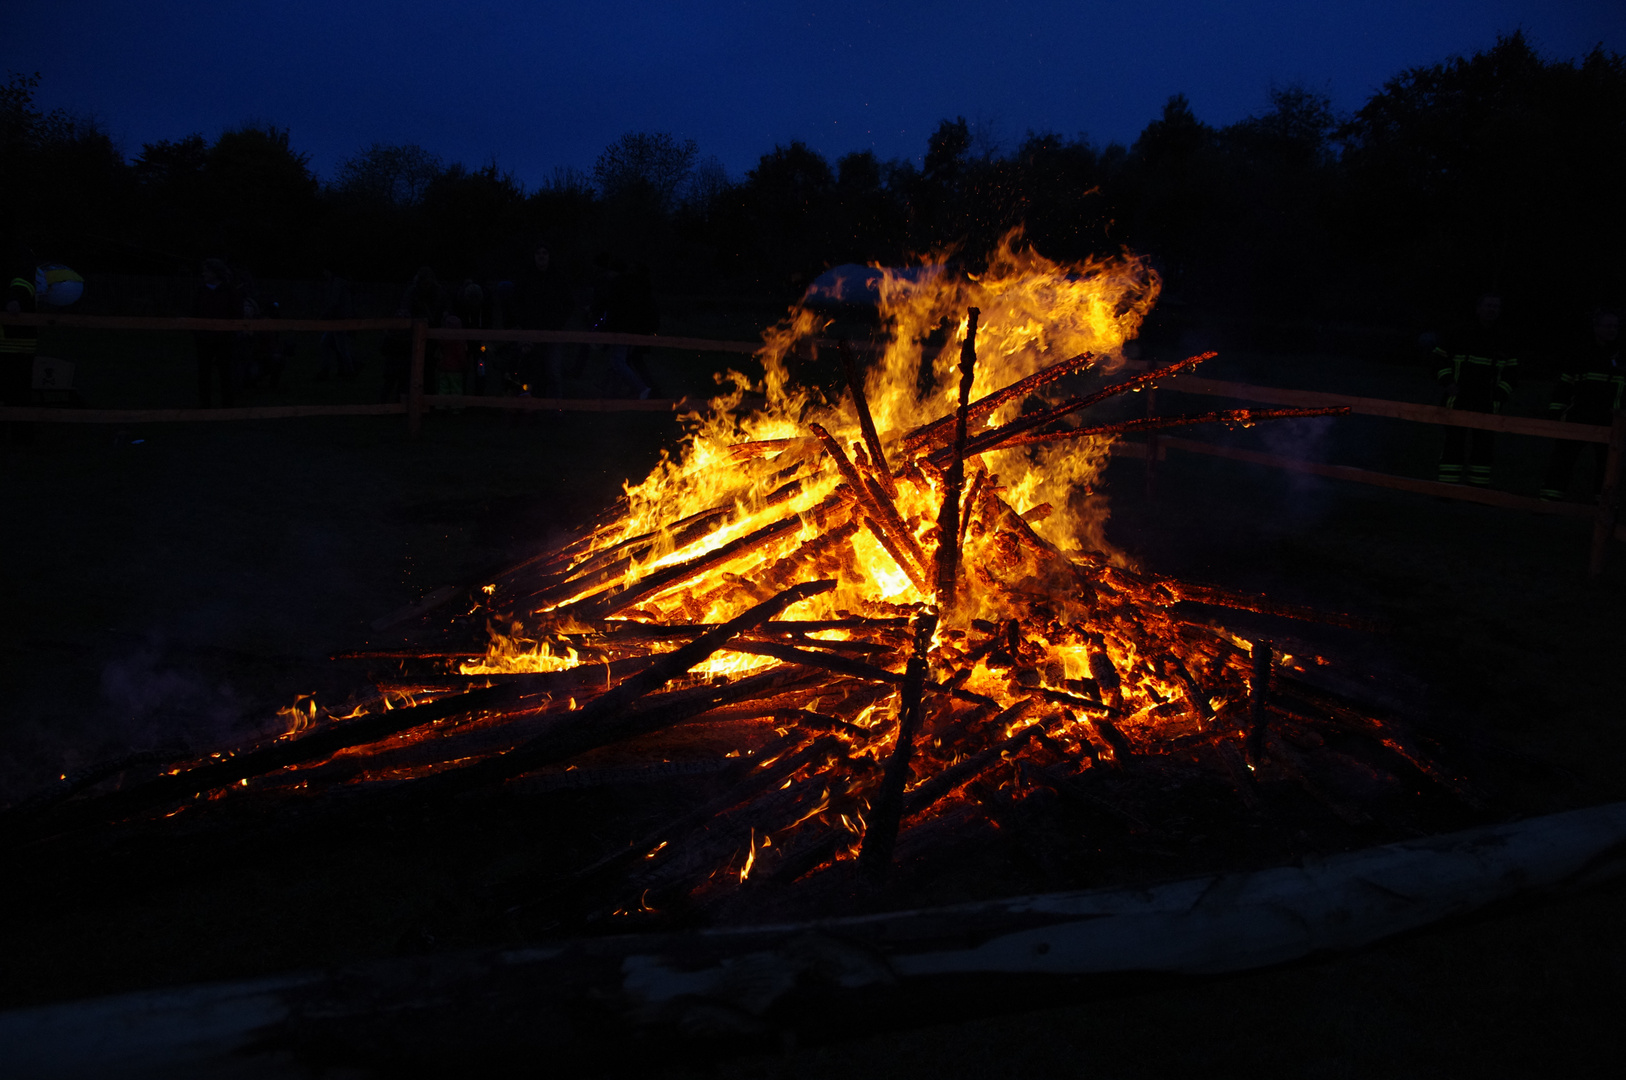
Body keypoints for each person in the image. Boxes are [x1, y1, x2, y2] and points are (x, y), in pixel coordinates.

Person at [1433, 291, 1518, 486]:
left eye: (1495, 306)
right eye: (1488, 306)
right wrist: (1449, 383)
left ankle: (1478, 490)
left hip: (1488, 402)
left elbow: (1512, 372)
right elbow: (1437, 360)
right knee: (1454, 442)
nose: (1491, 310)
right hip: (1458, 399)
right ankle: (1448, 488)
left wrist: (1500, 394)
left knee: (1484, 446)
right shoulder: (1459, 333)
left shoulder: (1505, 338)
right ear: (1478, 308)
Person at [1540, 308, 1623, 501]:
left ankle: (1601, 506)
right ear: (1596, 328)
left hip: (1612, 420)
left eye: (1615, 326)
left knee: (1608, 464)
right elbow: (1564, 386)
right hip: (1579, 416)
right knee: (1563, 459)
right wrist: (1556, 414)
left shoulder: (1622, 356)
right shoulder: (1581, 354)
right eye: (1608, 326)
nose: (1612, 330)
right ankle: (1549, 501)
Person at [191, 258, 240, 407]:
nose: (204, 273)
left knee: (225, 371)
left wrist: (231, 331)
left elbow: (236, 313)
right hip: (204, 338)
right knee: (204, 371)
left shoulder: (229, 291)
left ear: (215, 272)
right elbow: (194, 312)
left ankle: (227, 404)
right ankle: (204, 404)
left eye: (207, 270)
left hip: (224, 338)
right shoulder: (201, 290)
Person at [316, 267, 356, 380]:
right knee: (330, 344)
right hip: (338, 318)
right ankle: (338, 370)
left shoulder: (337, 284)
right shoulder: (338, 283)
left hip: (339, 319)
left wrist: (324, 314)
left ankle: (349, 371)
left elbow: (334, 302)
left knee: (341, 346)